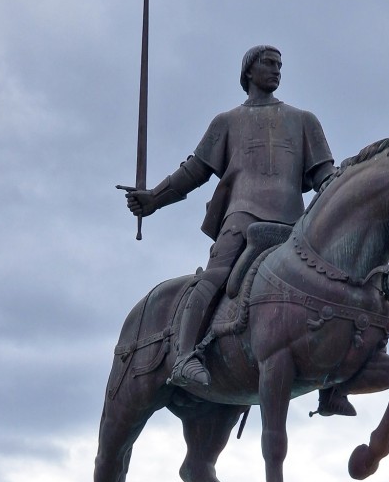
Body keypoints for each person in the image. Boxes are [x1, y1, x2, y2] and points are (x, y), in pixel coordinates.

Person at [125, 45, 336, 389]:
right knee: (215, 277)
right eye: (269, 63)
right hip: (243, 217)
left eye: (280, 65)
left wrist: (348, 184)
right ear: (248, 71)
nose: (277, 70)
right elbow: (193, 171)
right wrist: (153, 200)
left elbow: (324, 175)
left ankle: (333, 382)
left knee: (333, 282)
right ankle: (185, 356)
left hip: (295, 227)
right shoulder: (226, 122)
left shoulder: (304, 120)